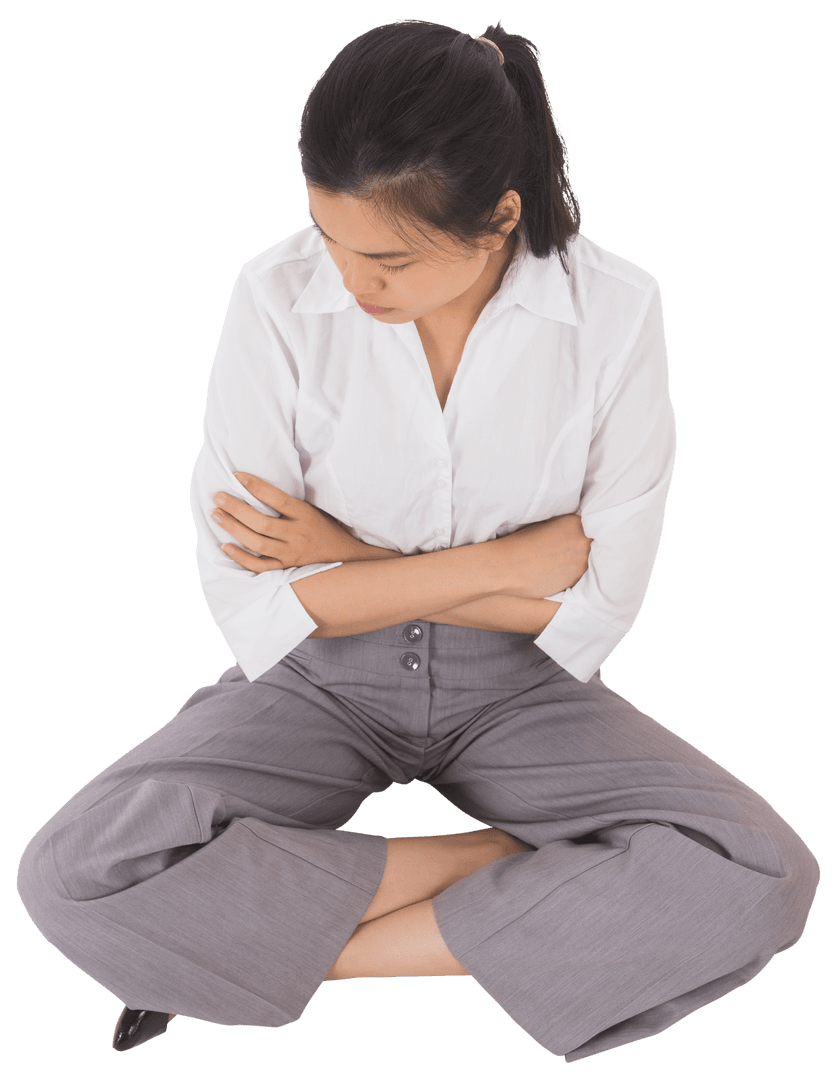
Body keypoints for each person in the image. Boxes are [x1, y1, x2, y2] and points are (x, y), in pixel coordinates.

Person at [16, 18, 819, 1062]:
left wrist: (347, 556)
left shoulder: (617, 312)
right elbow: (258, 592)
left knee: (764, 870)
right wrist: (499, 565)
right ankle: (514, 871)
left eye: (387, 258)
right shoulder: (276, 294)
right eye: (330, 237)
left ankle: (266, 952)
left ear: (497, 219)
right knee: (70, 871)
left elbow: (597, 602)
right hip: (319, 680)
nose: (349, 280)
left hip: (521, 686)